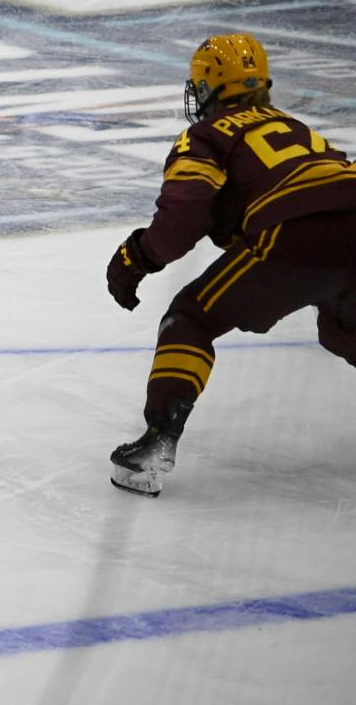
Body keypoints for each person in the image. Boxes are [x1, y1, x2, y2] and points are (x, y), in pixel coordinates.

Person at [104, 33, 356, 496]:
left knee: (191, 317)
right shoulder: (296, 125)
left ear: (211, 89)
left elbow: (186, 213)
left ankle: (156, 446)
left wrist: (138, 255)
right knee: (345, 329)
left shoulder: (207, 134)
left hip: (295, 231)